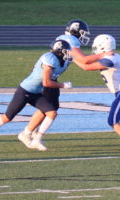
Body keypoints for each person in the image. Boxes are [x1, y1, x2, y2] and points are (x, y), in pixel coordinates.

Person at [0, 39, 75, 154]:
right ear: (58, 51)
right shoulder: (49, 58)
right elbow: (46, 82)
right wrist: (63, 85)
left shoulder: (63, 62)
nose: (68, 54)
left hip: (36, 93)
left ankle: (37, 139)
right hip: (25, 90)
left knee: (52, 113)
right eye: (66, 51)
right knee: (7, 117)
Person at [22, 19, 104, 149]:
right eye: (82, 32)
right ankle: (28, 133)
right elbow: (84, 59)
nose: (84, 36)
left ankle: (31, 132)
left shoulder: (67, 41)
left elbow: (85, 66)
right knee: (49, 109)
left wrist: (104, 65)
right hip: (47, 78)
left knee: (50, 107)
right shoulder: (71, 40)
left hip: (52, 77)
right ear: (76, 31)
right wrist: (104, 55)